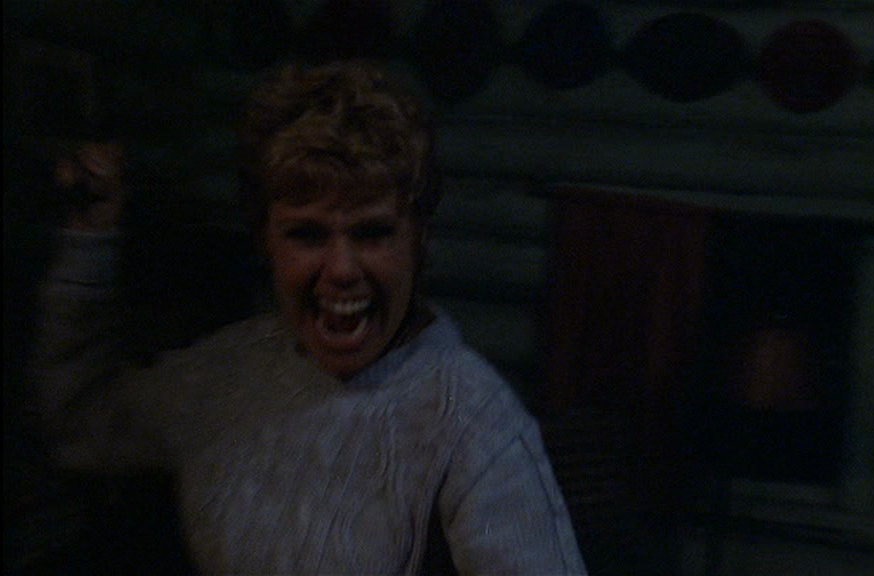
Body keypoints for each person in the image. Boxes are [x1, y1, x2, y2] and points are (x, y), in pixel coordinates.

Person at [29, 59, 587, 575]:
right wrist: (90, 238)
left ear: (419, 241)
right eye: (307, 234)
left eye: (372, 232)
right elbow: (82, 424)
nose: (342, 269)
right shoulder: (227, 374)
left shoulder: (473, 421)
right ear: (265, 241)